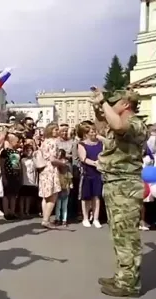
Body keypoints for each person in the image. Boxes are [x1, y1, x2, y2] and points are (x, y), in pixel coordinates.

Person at [90, 88, 148, 297]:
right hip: (116, 184)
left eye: (113, 103)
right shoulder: (120, 125)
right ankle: (123, 276)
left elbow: (116, 124)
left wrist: (103, 102)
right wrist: (98, 106)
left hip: (126, 186)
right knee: (119, 236)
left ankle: (129, 285)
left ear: (124, 104)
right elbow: (103, 125)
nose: (110, 106)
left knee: (127, 237)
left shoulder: (135, 124)